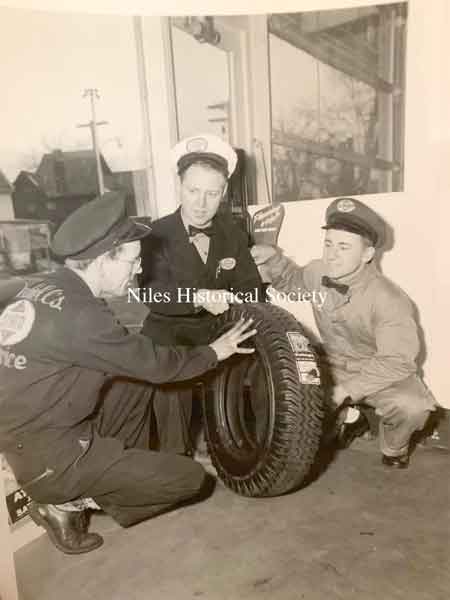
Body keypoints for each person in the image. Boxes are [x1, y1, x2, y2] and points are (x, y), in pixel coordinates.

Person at [0, 191, 256, 555]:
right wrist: (216, 351)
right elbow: (158, 365)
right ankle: (66, 503)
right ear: (104, 260)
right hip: (51, 458)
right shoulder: (82, 317)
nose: (139, 269)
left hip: (36, 427)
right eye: (133, 260)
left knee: (135, 382)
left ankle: (117, 466)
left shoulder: (47, 284)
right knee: (189, 480)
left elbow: (136, 365)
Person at [251, 197, 436, 469]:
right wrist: (273, 258)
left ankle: (394, 448)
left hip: (378, 371)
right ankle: (351, 419)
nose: (331, 255)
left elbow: (397, 361)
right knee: (281, 386)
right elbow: (292, 281)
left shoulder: (390, 300)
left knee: (413, 406)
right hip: (333, 362)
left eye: (343, 247)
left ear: (367, 254)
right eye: (328, 244)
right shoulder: (319, 272)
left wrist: (345, 391)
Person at [139, 134, 262, 455]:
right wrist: (198, 296)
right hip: (168, 331)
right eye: (193, 191)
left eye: (211, 193)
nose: (200, 203)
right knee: (173, 382)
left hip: (218, 328)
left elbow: (250, 286)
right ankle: (174, 462)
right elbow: (151, 295)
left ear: (224, 193)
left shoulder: (233, 233)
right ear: (179, 186)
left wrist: (241, 308)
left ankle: (230, 450)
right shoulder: (154, 234)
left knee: (251, 366)